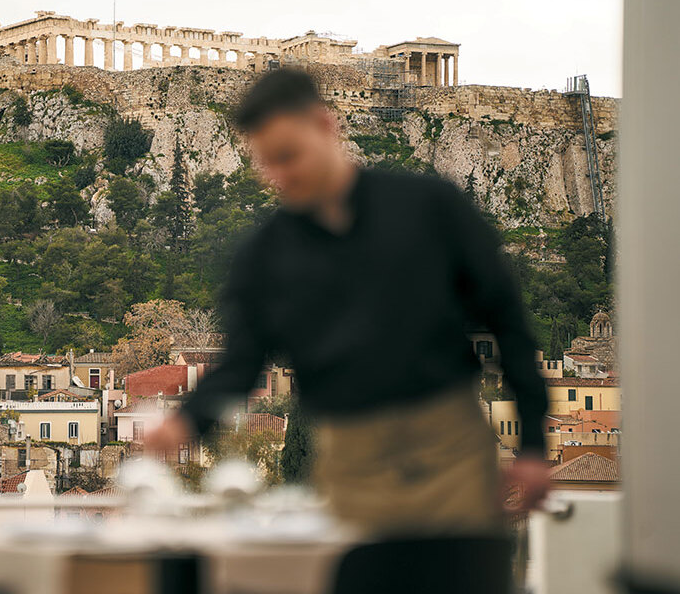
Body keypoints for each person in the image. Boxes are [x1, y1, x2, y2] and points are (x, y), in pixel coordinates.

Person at [147, 68, 550, 538]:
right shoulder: (264, 256)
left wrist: (535, 446)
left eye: (288, 155)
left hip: (453, 451)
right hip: (350, 462)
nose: (280, 174)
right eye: (267, 162)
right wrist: (184, 424)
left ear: (325, 126)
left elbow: (508, 322)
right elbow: (241, 361)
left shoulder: (430, 208)